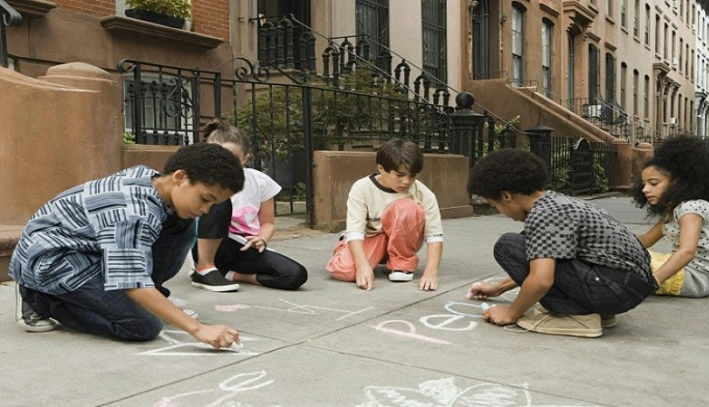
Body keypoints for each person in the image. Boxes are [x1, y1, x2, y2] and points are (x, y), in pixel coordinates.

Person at [10, 143, 245, 348]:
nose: (205, 210)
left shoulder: (151, 178)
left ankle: (151, 299)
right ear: (180, 177)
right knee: (143, 326)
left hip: (82, 248)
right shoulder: (133, 214)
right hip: (51, 262)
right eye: (205, 199)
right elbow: (132, 283)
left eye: (213, 205)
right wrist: (197, 329)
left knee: (182, 221)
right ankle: (38, 298)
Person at [466, 149, 657, 338]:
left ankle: (577, 316)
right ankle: (598, 312)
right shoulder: (556, 202)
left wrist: (511, 313)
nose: (500, 211)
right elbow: (541, 258)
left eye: (495, 205)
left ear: (507, 196)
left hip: (612, 290)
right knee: (522, 245)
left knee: (507, 246)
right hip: (623, 289)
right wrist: (498, 288)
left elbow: (541, 279)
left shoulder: (543, 214)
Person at [189, 119, 307, 292]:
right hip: (212, 245)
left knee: (295, 274)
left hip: (244, 247)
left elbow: (268, 223)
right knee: (218, 201)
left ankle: (230, 274)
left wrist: (262, 239)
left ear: (245, 159)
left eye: (232, 159)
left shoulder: (259, 181)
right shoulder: (199, 181)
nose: (224, 165)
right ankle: (204, 268)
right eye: (218, 157)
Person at [325, 138, 444, 291]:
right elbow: (355, 231)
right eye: (400, 175)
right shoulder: (362, 188)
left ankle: (401, 263)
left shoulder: (423, 193)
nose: (407, 181)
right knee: (345, 272)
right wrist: (362, 266)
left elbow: (435, 236)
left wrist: (431, 272)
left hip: (402, 239)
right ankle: (349, 247)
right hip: (373, 237)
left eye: (412, 175)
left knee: (407, 208)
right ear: (381, 168)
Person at [632, 135, 709, 297]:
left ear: (678, 182)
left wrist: (653, 281)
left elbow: (687, 251)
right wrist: (614, 239)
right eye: (644, 184)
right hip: (684, 271)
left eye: (653, 183)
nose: (645, 189)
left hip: (697, 278)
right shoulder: (674, 210)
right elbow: (646, 240)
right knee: (624, 258)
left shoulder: (691, 208)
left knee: (623, 266)